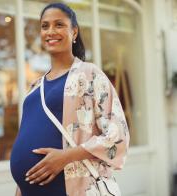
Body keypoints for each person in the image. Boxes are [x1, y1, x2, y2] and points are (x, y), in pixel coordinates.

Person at [10, 2, 130, 196]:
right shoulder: (34, 88)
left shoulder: (89, 74)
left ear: (74, 32)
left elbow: (118, 137)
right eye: (45, 26)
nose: (50, 31)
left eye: (59, 25)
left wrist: (65, 157)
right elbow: (26, 147)